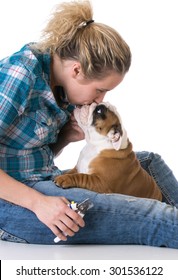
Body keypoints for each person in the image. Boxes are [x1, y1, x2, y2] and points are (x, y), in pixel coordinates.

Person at [0, 0, 178, 248]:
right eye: (100, 90)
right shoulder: (20, 75)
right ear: (77, 70)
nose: (100, 99)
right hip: (13, 203)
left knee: (149, 161)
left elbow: (25, 153)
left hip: (43, 179)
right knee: (148, 217)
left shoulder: (60, 83)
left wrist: (63, 139)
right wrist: (38, 203)